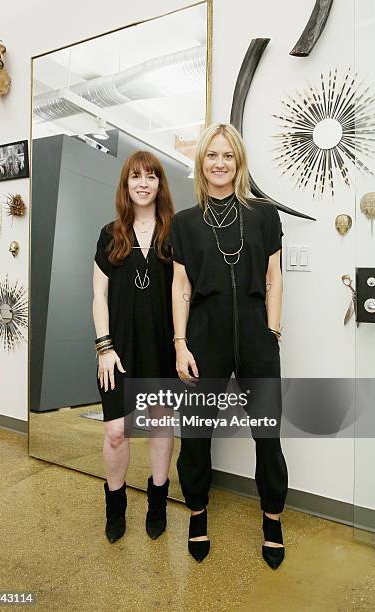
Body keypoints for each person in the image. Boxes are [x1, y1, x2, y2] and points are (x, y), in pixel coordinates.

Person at [170, 123, 288, 567]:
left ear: (238, 163)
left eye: (228, 156)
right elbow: (181, 287)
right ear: (201, 162)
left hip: (257, 339)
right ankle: (197, 513)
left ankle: (272, 520)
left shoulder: (264, 215)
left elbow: (274, 277)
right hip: (204, 339)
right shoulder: (184, 223)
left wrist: (272, 332)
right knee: (196, 435)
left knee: (268, 436)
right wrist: (180, 344)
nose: (219, 163)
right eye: (212, 155)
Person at [92, 150, 175, 543]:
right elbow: (98, 295)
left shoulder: (174, 232)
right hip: (118, 351)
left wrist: (182, 345)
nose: (143, 183)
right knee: (115, 432)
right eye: (135, 177)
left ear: (160, 184)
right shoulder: (110, 234)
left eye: (151, 176)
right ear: (126, 185)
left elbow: (186, 292)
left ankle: (157, 502)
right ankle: (116, 503)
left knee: (160, 429)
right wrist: (104, 347)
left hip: (162, 349)